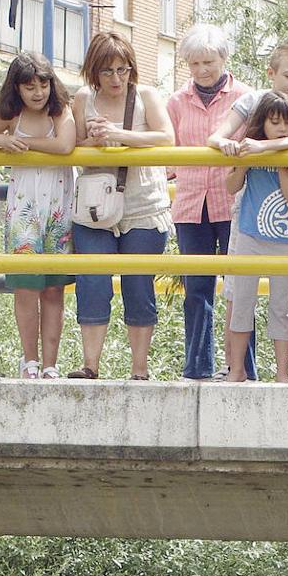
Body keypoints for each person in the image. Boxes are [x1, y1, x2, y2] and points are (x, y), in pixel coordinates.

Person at [208, 43, 288, 381]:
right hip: (248, 221)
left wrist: (265, 150)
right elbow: (217, 136)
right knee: (238, 297)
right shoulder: (253, 103)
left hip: (285, 230)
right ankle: (235, 367)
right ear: (271, 73)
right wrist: (233, 147)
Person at [68, 32, 175, 381]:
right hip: (95, 206)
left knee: (139, 285)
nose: (116, 79)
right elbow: (72, 144)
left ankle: (140, 370)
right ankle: (90, 366)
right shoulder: (83, 99)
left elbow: (167, 137)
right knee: (92, 282)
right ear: (93, 73)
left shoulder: (146, 96)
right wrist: (95, 139)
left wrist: (121, 136)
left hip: (143, 205)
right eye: (107, 72)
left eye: (122, 70)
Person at [0, 52, 76, 380]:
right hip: (24, 210)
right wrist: (4, 141)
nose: (37, 93)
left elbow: (65, 145)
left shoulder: (61, 109)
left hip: (58, 209)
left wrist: (26, 144)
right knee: (26, 287)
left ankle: (50, 364)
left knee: (54, 288)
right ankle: (29, 360)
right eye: (29, 86)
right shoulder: (11, 114)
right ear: (16, 88)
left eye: (43, 84)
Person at [167, 24, 253, 381]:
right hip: (190, 203)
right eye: (195, 63)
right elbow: (169, 155)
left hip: (232, 201)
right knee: (197, 290)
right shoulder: (176, 101)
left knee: (240, 288)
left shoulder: (245, 96)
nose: (203, 70)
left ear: (224, 59)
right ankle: (198, 367)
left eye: (210, 62)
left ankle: (242, 367)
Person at [223, 92, 288, 382]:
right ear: (263, 123)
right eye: (275, 122)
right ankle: (237, 369)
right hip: (250, 235)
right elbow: (231, 186)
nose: (282, 128)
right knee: (242, 302)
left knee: (282, 308)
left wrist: (282, 162)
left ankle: (282, 373)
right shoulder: (250, 149)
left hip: (285, 241)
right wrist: (246, 161)